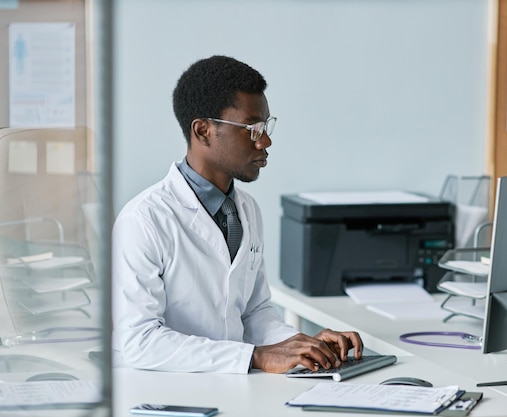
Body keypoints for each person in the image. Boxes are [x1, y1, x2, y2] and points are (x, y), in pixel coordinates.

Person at [111, 55, 363, 374]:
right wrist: (254, 357)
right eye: (253, 128)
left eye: (267, 126)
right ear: (203, 131)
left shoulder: (246, 210)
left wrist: (301, 345)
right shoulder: (143, 220)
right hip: (165, 392)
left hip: (237, 387)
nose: (266, 141)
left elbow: (254, 313)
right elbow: (141, 341)